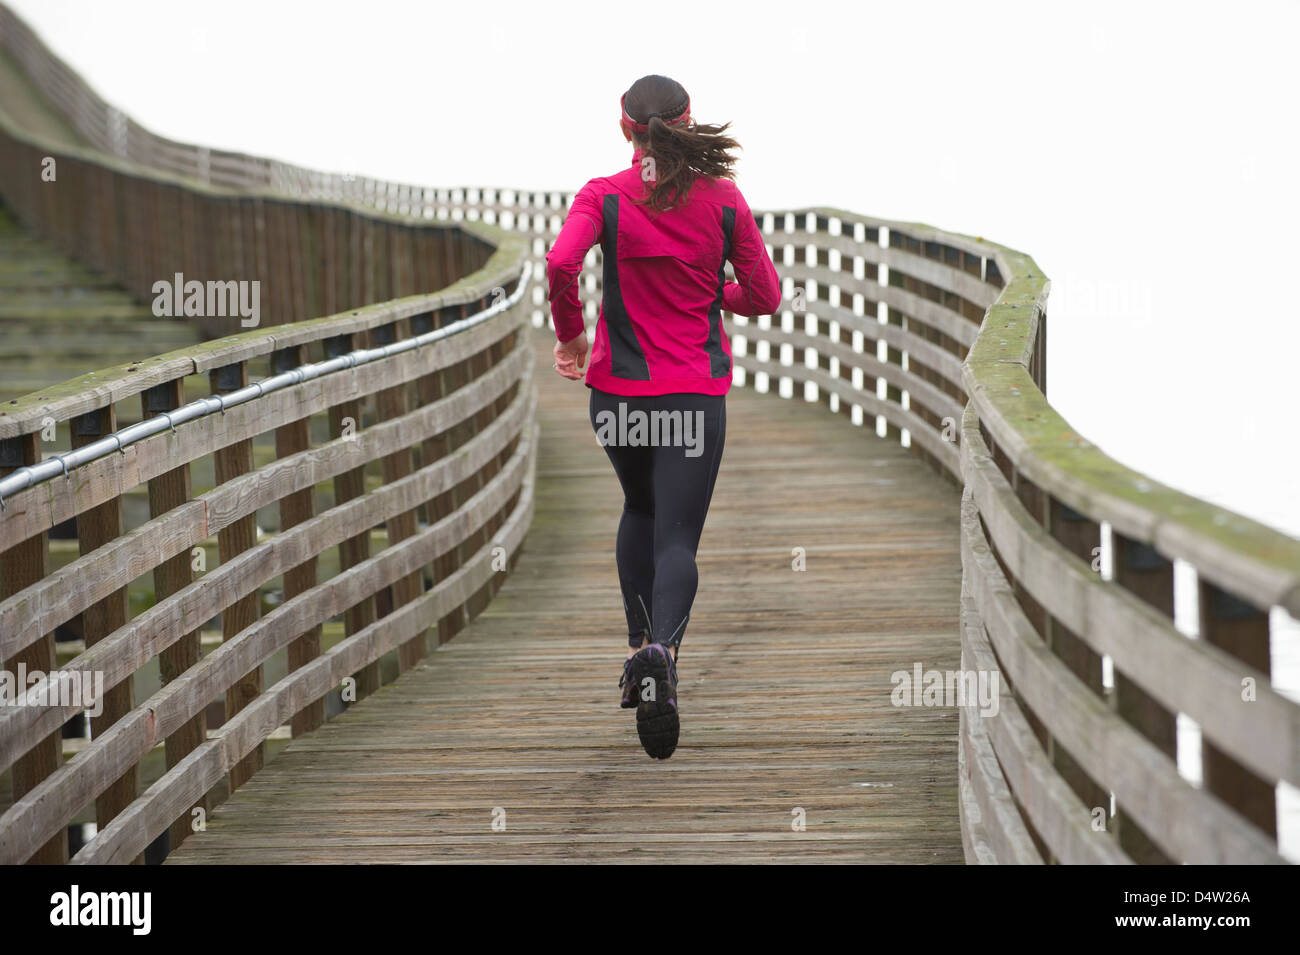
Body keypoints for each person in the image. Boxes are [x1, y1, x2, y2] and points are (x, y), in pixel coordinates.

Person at [545, 74, 781, 759]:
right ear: (687, 123)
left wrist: (571, 333)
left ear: (626, 130)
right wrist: (713, 291)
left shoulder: (604, 196)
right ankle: (661, 655)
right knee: (677, 539)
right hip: (693, 397)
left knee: (639, 509)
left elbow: (562, 261)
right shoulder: (724, 200)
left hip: (618, 396)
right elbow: (763, 295)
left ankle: (638, 645)